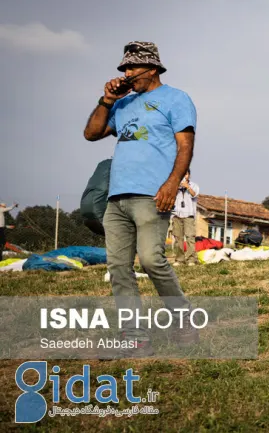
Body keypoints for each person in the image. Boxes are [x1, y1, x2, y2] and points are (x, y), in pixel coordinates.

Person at [83, 41, 198, 356]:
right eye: (124, 69)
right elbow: (91, 133)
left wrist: (172, 183)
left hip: (153, 194)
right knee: (119, 266)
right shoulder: (121, 104)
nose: (127, 74)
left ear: (152, 68)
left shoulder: (176, 99)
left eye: (132, 68)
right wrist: (107, 100)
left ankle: (184, 318)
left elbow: (185, 145)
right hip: (117, 197)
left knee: (151, 259)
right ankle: (135, 336)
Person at [171, 169, 200, 266]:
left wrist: (187, 186)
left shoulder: (194, 185)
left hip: (189, 215)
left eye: (186, 174)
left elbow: (194, 194)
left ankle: (191, 259)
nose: (184, 176)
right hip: (177, 215)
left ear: (189, 175)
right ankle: (179, 260)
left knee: (190, 237)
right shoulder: (175, 185)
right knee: (178, 238)